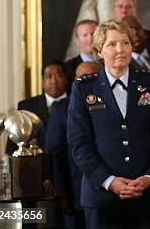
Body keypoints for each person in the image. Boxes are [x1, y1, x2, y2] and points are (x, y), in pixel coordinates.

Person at [67, 20, 150, 228]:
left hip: (146, 195)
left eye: (125, 43)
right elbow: (80, 144)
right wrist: (110, 181)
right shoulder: (84, 89)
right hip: (101, 197)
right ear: (99, 51)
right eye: (112, 44)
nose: (120, 50)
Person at [46, 61, 99, 229]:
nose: (86, 82)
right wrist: (62, 194)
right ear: (74, 81)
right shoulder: (61, 109)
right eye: (81, 78)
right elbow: (54, 154)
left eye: (91, 77)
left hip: (109, 193)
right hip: (74, 194)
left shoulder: (111, 105)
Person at [7, 60, 68, 155]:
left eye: (59, 76)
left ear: (66, 79)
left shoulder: (76, 104)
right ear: (43, 81)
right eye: (49, 77)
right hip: (35, 163)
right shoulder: (27, 107)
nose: (54, 81)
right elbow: (13, 142)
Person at [65, 20, 98, 86]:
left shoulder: (109, 63)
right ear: (77, 40)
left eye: (93, 34)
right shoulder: (68, 68)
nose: (90, 39)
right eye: (85, 35)